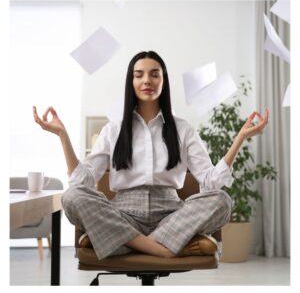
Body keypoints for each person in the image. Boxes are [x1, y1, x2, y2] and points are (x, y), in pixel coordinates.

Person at [33, 51, 269, 260]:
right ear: (131, 81)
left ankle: (119, 243)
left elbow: (210, 183)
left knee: (222, 201)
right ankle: (163, 248)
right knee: (72, 196)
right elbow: (81, 182)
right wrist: (63, 136)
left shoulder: (183, 128)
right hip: (122, 214)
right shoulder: (113, 129)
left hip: (171, 216)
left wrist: (240, 139)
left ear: (163, 81)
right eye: (139, 75)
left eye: (154, 74)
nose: (147, 80)